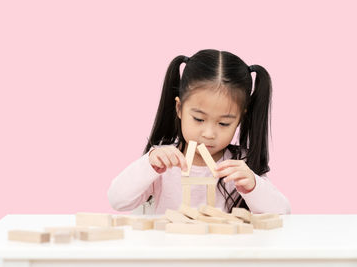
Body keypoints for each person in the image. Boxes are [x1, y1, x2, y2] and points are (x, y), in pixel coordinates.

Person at [108, 49, 291, 214]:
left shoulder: (240, 165)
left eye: (224, 123)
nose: (209, 133)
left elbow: (282, 212)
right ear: (179, 108)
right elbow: (118, 201)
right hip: (170, 250)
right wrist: (148, 165)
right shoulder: (163, 161)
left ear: (240, 120)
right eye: (199, 119)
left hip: (225, 251)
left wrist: (252, 185)